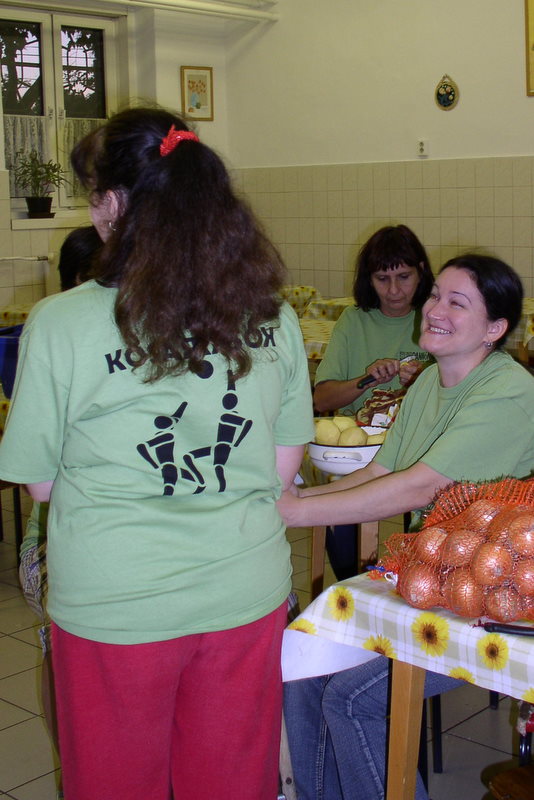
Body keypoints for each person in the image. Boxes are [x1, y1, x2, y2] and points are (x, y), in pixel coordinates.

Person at [0, 107, 314, 800]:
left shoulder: (61, 323)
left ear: (114, 204)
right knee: (231, 784)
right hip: (243, 593)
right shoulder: (274, 317)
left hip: (117, 603)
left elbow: (41, 486)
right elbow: (285, 465)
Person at [279, 253, 534, 800]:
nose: (434, 310)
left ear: (494, 329)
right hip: (432, 577)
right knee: (304, 664)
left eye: (456, 303)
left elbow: (419, 487)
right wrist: (296, 497)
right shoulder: (429, 380)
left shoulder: (508, 392)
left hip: (500, 597)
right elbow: (380, 472)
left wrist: (295, 512)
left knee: (351, 698)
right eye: (436, 294)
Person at [17, 225, 103, 800]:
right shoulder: (57, 334)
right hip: (52, 543)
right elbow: (42, 485)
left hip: (116, 543)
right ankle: (72, 760)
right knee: (62, 650)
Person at [313, 224, 434, 579]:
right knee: (339, 516)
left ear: (421, 272)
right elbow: (322, 398)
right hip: (361, 450)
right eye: (382, 279)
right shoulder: (354, 321)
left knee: (430, 522)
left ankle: (417, 580)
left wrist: (427, 380)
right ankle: (353, 585)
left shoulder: (436, 317)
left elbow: (463, 392)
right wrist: (365, 380)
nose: (394, 290)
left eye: (403, 277)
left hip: (420, 448)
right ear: (369, 278)